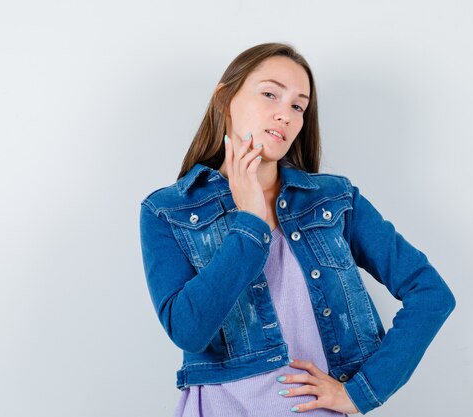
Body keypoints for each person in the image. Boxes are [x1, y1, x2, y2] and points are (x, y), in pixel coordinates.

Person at [139, 42, 456, 416]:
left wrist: (361, 392)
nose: (285, 115)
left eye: (297, 106)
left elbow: (431, 294)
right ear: (225, 99)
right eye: (270, 94)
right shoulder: (167, 210)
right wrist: (251, 222)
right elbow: (189, 330)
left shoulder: (335, 199)